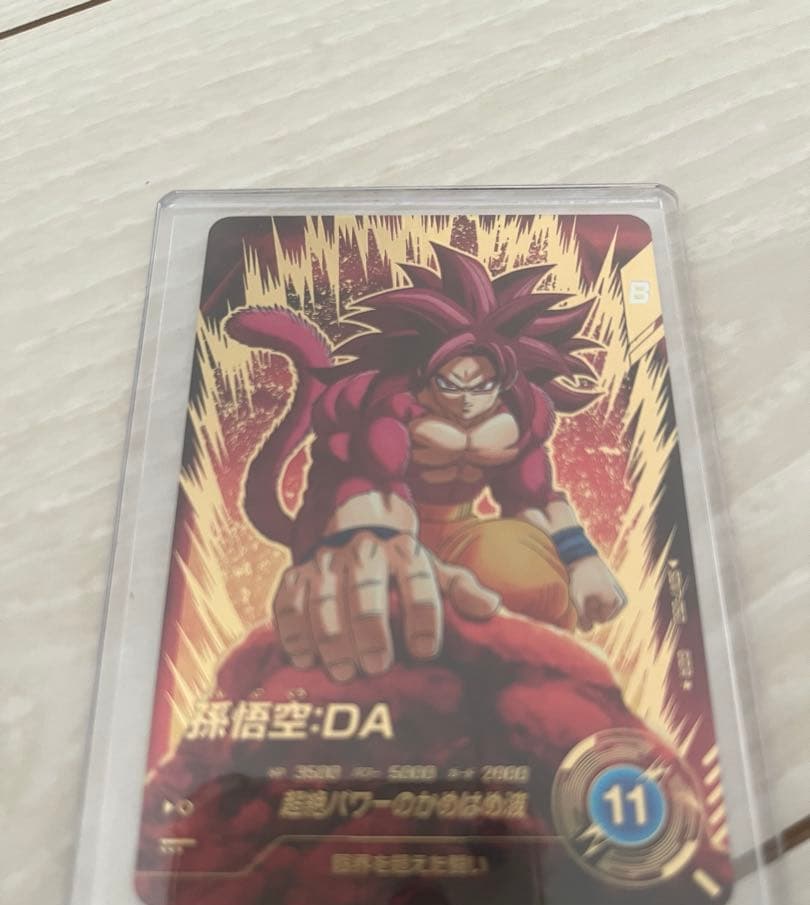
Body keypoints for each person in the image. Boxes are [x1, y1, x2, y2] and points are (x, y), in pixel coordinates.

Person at [226, 243, 625, 682]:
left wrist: (581, 558)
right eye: (451, 384)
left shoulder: (519, 417)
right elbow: (369, 485)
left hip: (458, 534)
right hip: (367, 527)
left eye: (482, 385)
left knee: (524, 576)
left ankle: (535, 674)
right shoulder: (388, 408)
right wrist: (370, 539)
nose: (467, 400)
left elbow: (534, 496)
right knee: (387, 609)